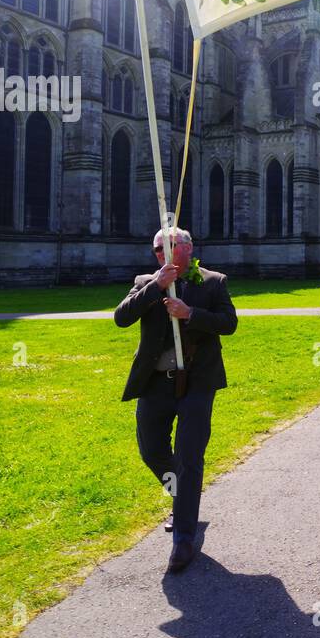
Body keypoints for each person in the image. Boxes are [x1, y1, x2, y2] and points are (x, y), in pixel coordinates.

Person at [114, 227, 238, 575]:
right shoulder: (144, 281)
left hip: (198, 382)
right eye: (156, 249)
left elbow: (229, 323)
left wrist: (190, 314)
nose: (160, 254)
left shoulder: (213, 282)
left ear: (187, 249)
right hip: (155, 383)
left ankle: (183, 538)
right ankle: (182, 498)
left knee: (189, 455)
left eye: (167, 247)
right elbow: (121, 318)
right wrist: (155, 286)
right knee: (151, 449)